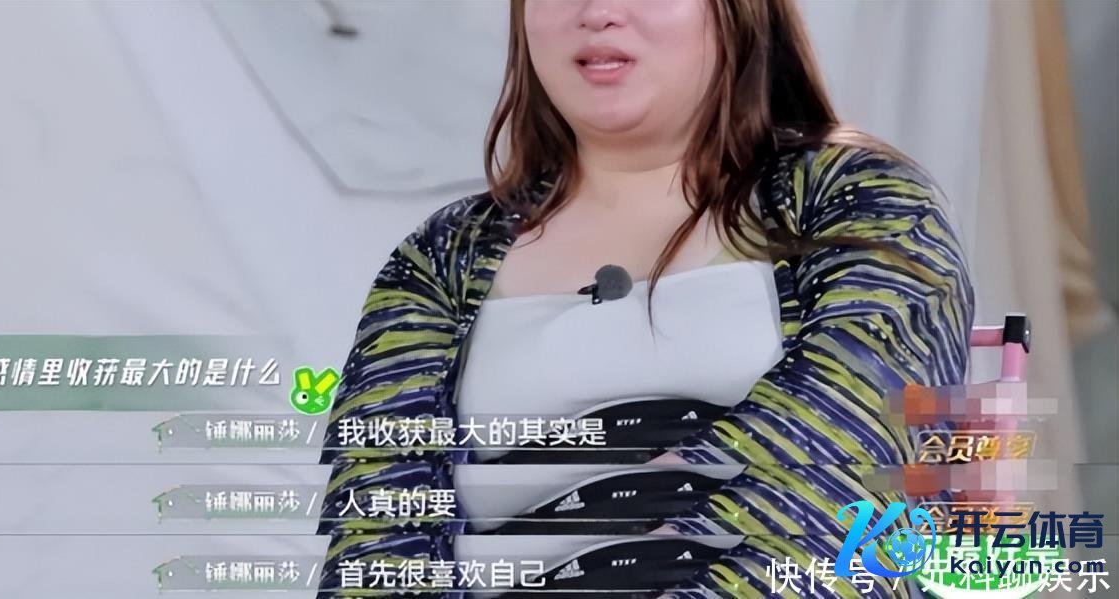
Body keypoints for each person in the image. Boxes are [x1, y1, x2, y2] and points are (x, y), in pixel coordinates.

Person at [318, 0, 974, 596]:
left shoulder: (860, 200)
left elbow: (853, 447)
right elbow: (377, 529)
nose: (598, 12)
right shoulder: (441, 256)